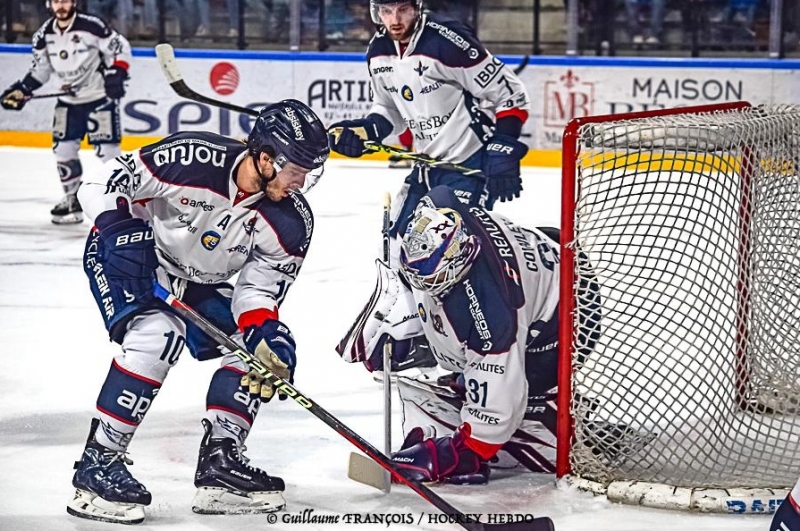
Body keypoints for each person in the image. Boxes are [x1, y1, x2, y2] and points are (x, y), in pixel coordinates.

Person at [66, 99, 330, 524]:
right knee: (158, 334)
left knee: (255, 351)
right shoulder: (192, 158)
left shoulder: (291, 222)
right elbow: (100, 181)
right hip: (132, 256)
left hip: (201, 281)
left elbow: (257, 289)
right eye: (297, 170)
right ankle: (98, 465)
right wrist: (115, 226)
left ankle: (220, 467)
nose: (303, 182)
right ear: (265, 158)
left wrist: (265, 330)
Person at [338, 185, 571, 482]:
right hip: (548, 251)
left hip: (572, 311)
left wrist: (451, 455)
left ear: (461, 258)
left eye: (433, 278)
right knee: (469, 351)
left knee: (505, 385)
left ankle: (545, 422)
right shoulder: (441, 206)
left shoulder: (491, 314)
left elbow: (493, 416)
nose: (425, 285)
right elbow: (437, 200)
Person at [328, 0, 531, 266]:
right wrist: (368, 130)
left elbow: (510, 93)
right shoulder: (378, 50)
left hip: (468, 163)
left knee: (448, 259)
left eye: (403, 9)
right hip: (425, 167)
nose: (395, 20)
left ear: (417, 7)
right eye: (386, 12)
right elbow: (389, 108)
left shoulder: (448, 41)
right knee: (398, 249)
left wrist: (503, 145)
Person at [0, 0, 131, 225]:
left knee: (109, 153)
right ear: (49, 4)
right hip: (67, 102)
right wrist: (23, 89)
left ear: (74, 3)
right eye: (57, 1)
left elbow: (120, 47)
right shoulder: (43, 35)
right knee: (63, 150)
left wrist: (117, 72)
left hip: (99, 99)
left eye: (66, 0)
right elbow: (41, 70)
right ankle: (73, 198)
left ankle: (126, 197)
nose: (61, 5)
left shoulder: (92, 25)